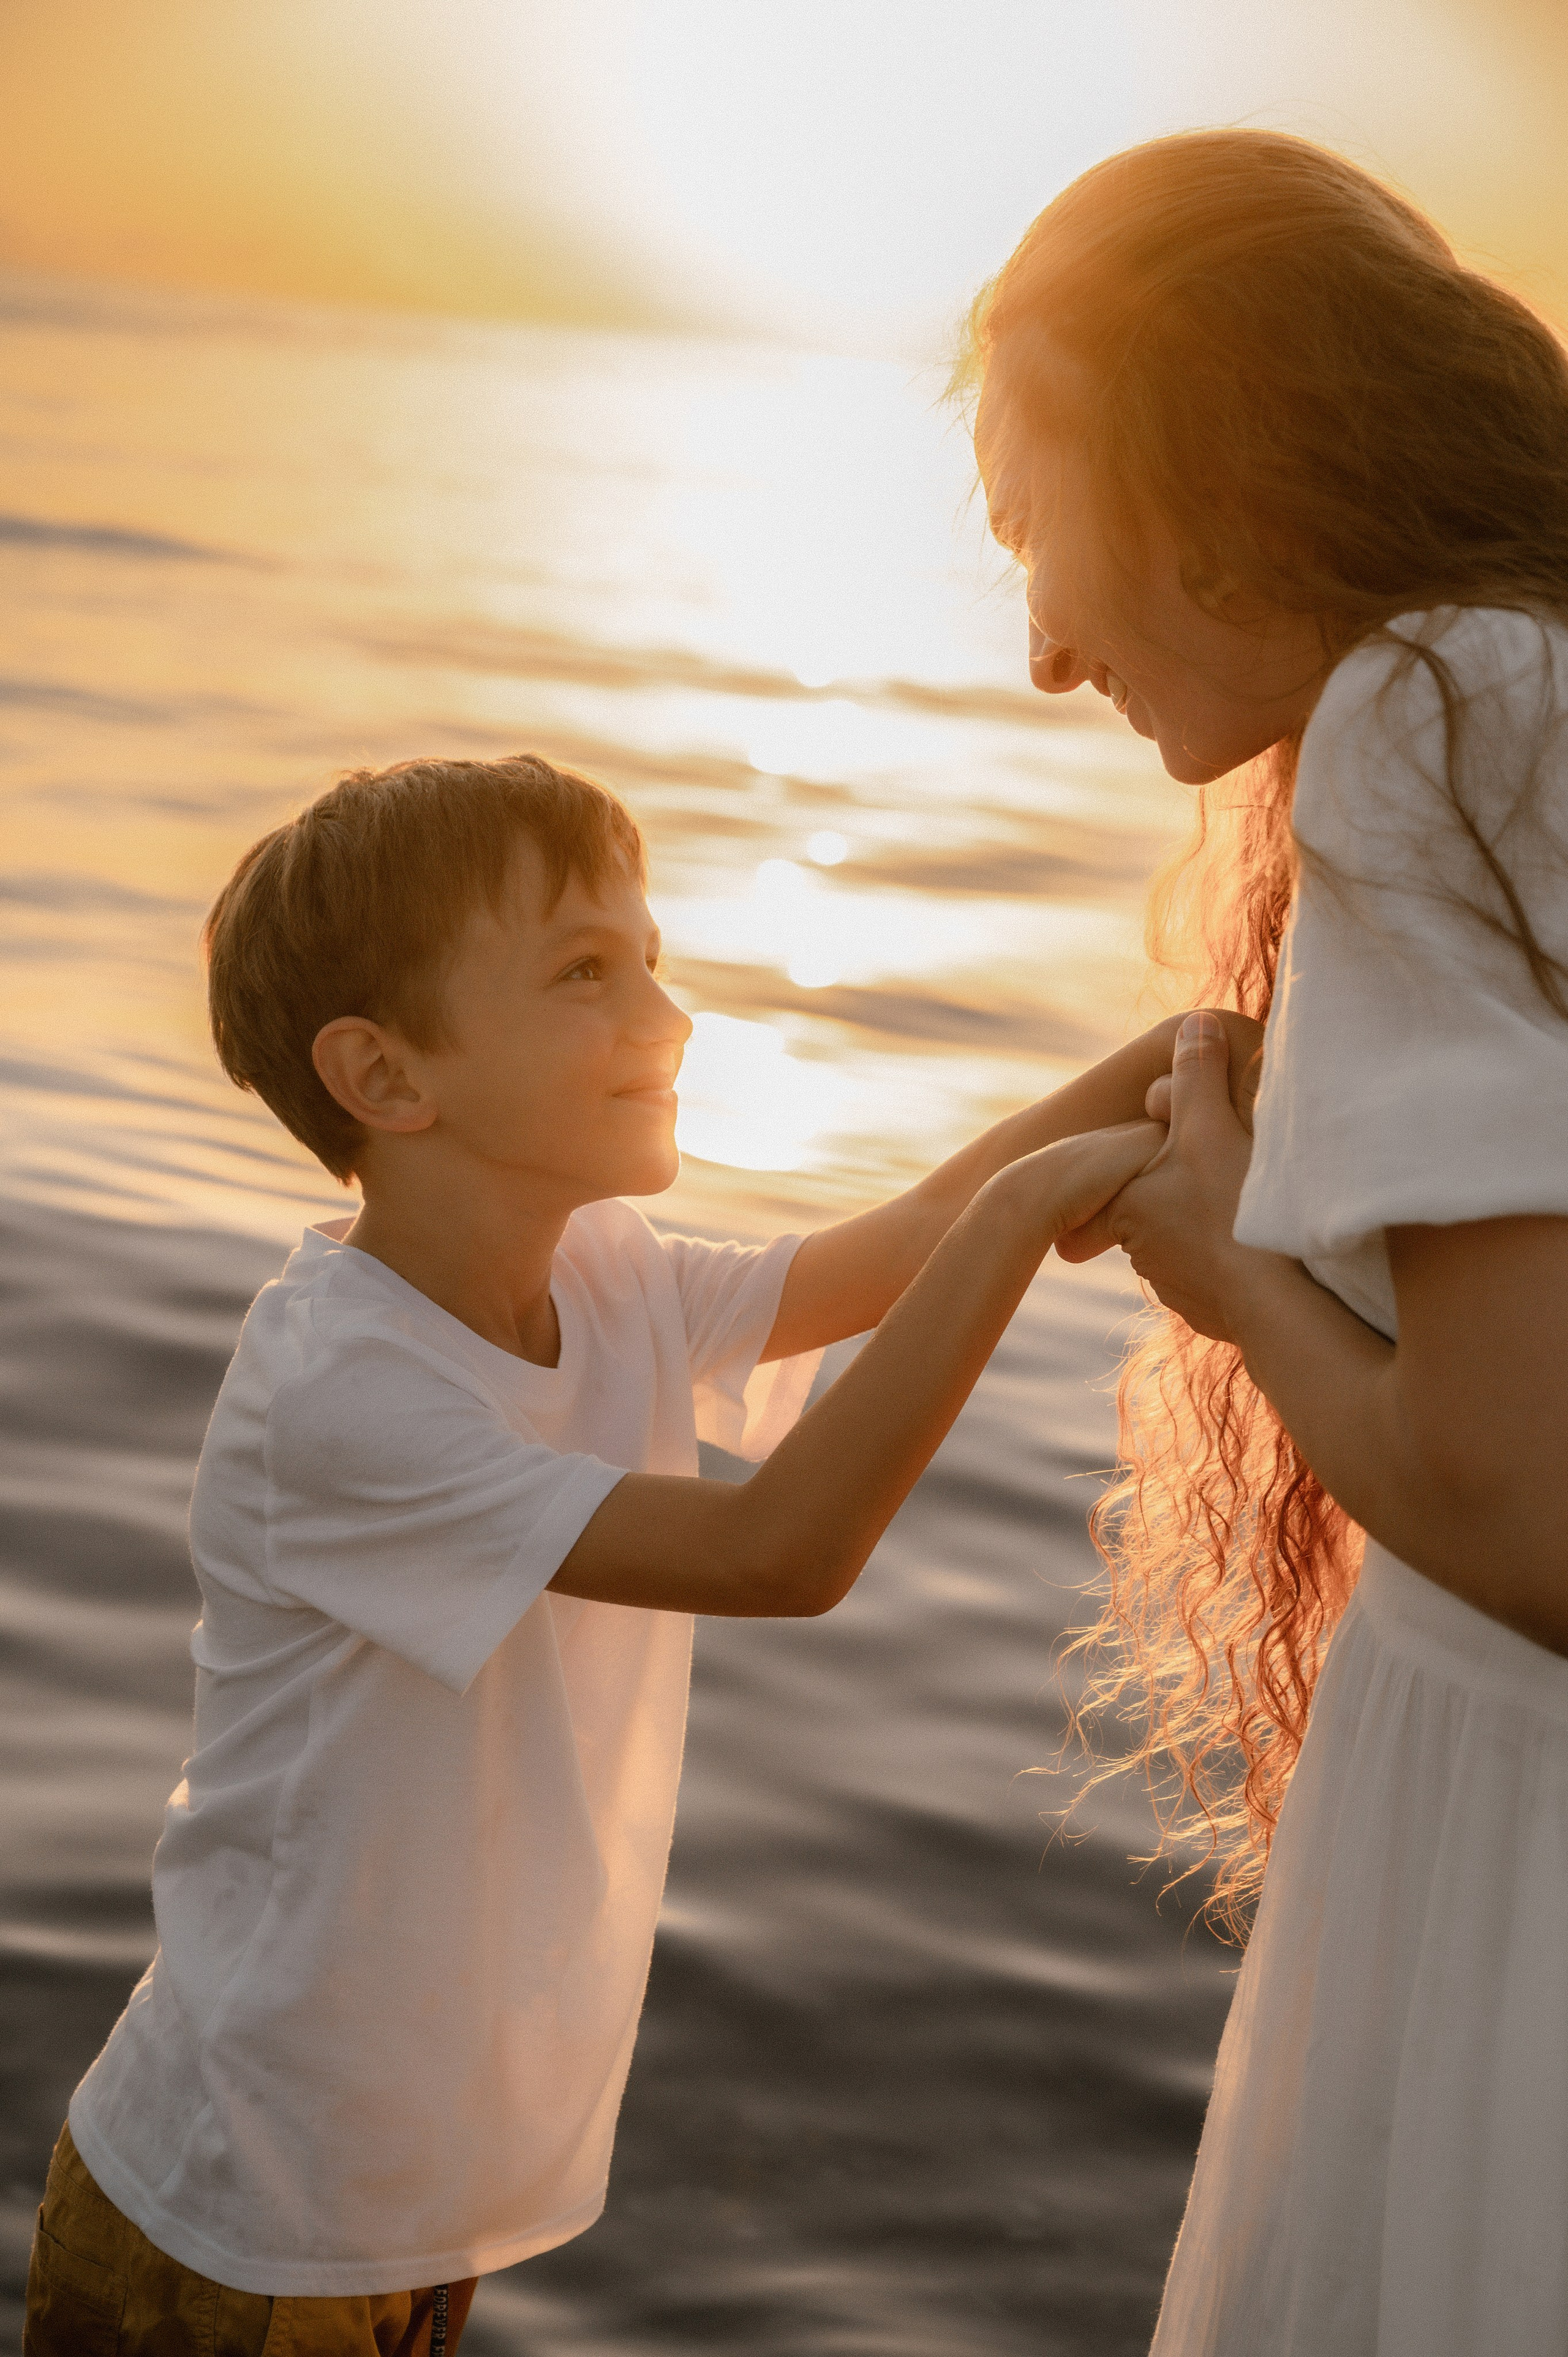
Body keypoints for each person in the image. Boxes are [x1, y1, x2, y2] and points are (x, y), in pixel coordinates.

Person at [25, 749, 1227, 2356]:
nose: (667, 1020)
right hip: (247, 2212)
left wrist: (1184, 1052)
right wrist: (1028, 1223)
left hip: (394, 2192)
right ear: (386, 1079)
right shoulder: (341, 1392)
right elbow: (776, 1552)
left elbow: (892, 1243)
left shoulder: (602, 1269)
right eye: (588, 974)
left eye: (651, 960)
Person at [963, 128, 1568, 2355]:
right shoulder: (1532, 685)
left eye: (1034, 524)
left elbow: (1531, 1521)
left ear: (1197, 450)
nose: (1036, 651)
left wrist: (1229, 1256)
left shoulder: (1439, 717)